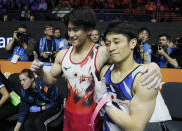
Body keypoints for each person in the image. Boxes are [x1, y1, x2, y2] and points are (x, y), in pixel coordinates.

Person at [31, 6, 161, 131]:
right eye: (69, 29)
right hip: (69, 115)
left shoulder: (102, 52)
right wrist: (40, 72)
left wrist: (152, 66)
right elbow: (51, 79)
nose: (71, 34)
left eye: (75, 29)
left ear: (89, 30)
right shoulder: (62, 55)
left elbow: (127, 61)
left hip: (92, 118)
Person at [94, 22, 171, 131]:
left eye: (116, 42)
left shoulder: (144, 78)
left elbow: (135, 127)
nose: (111, 48)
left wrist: (104, 102)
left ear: (133, 43)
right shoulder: (105, 71)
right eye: (107, 43)